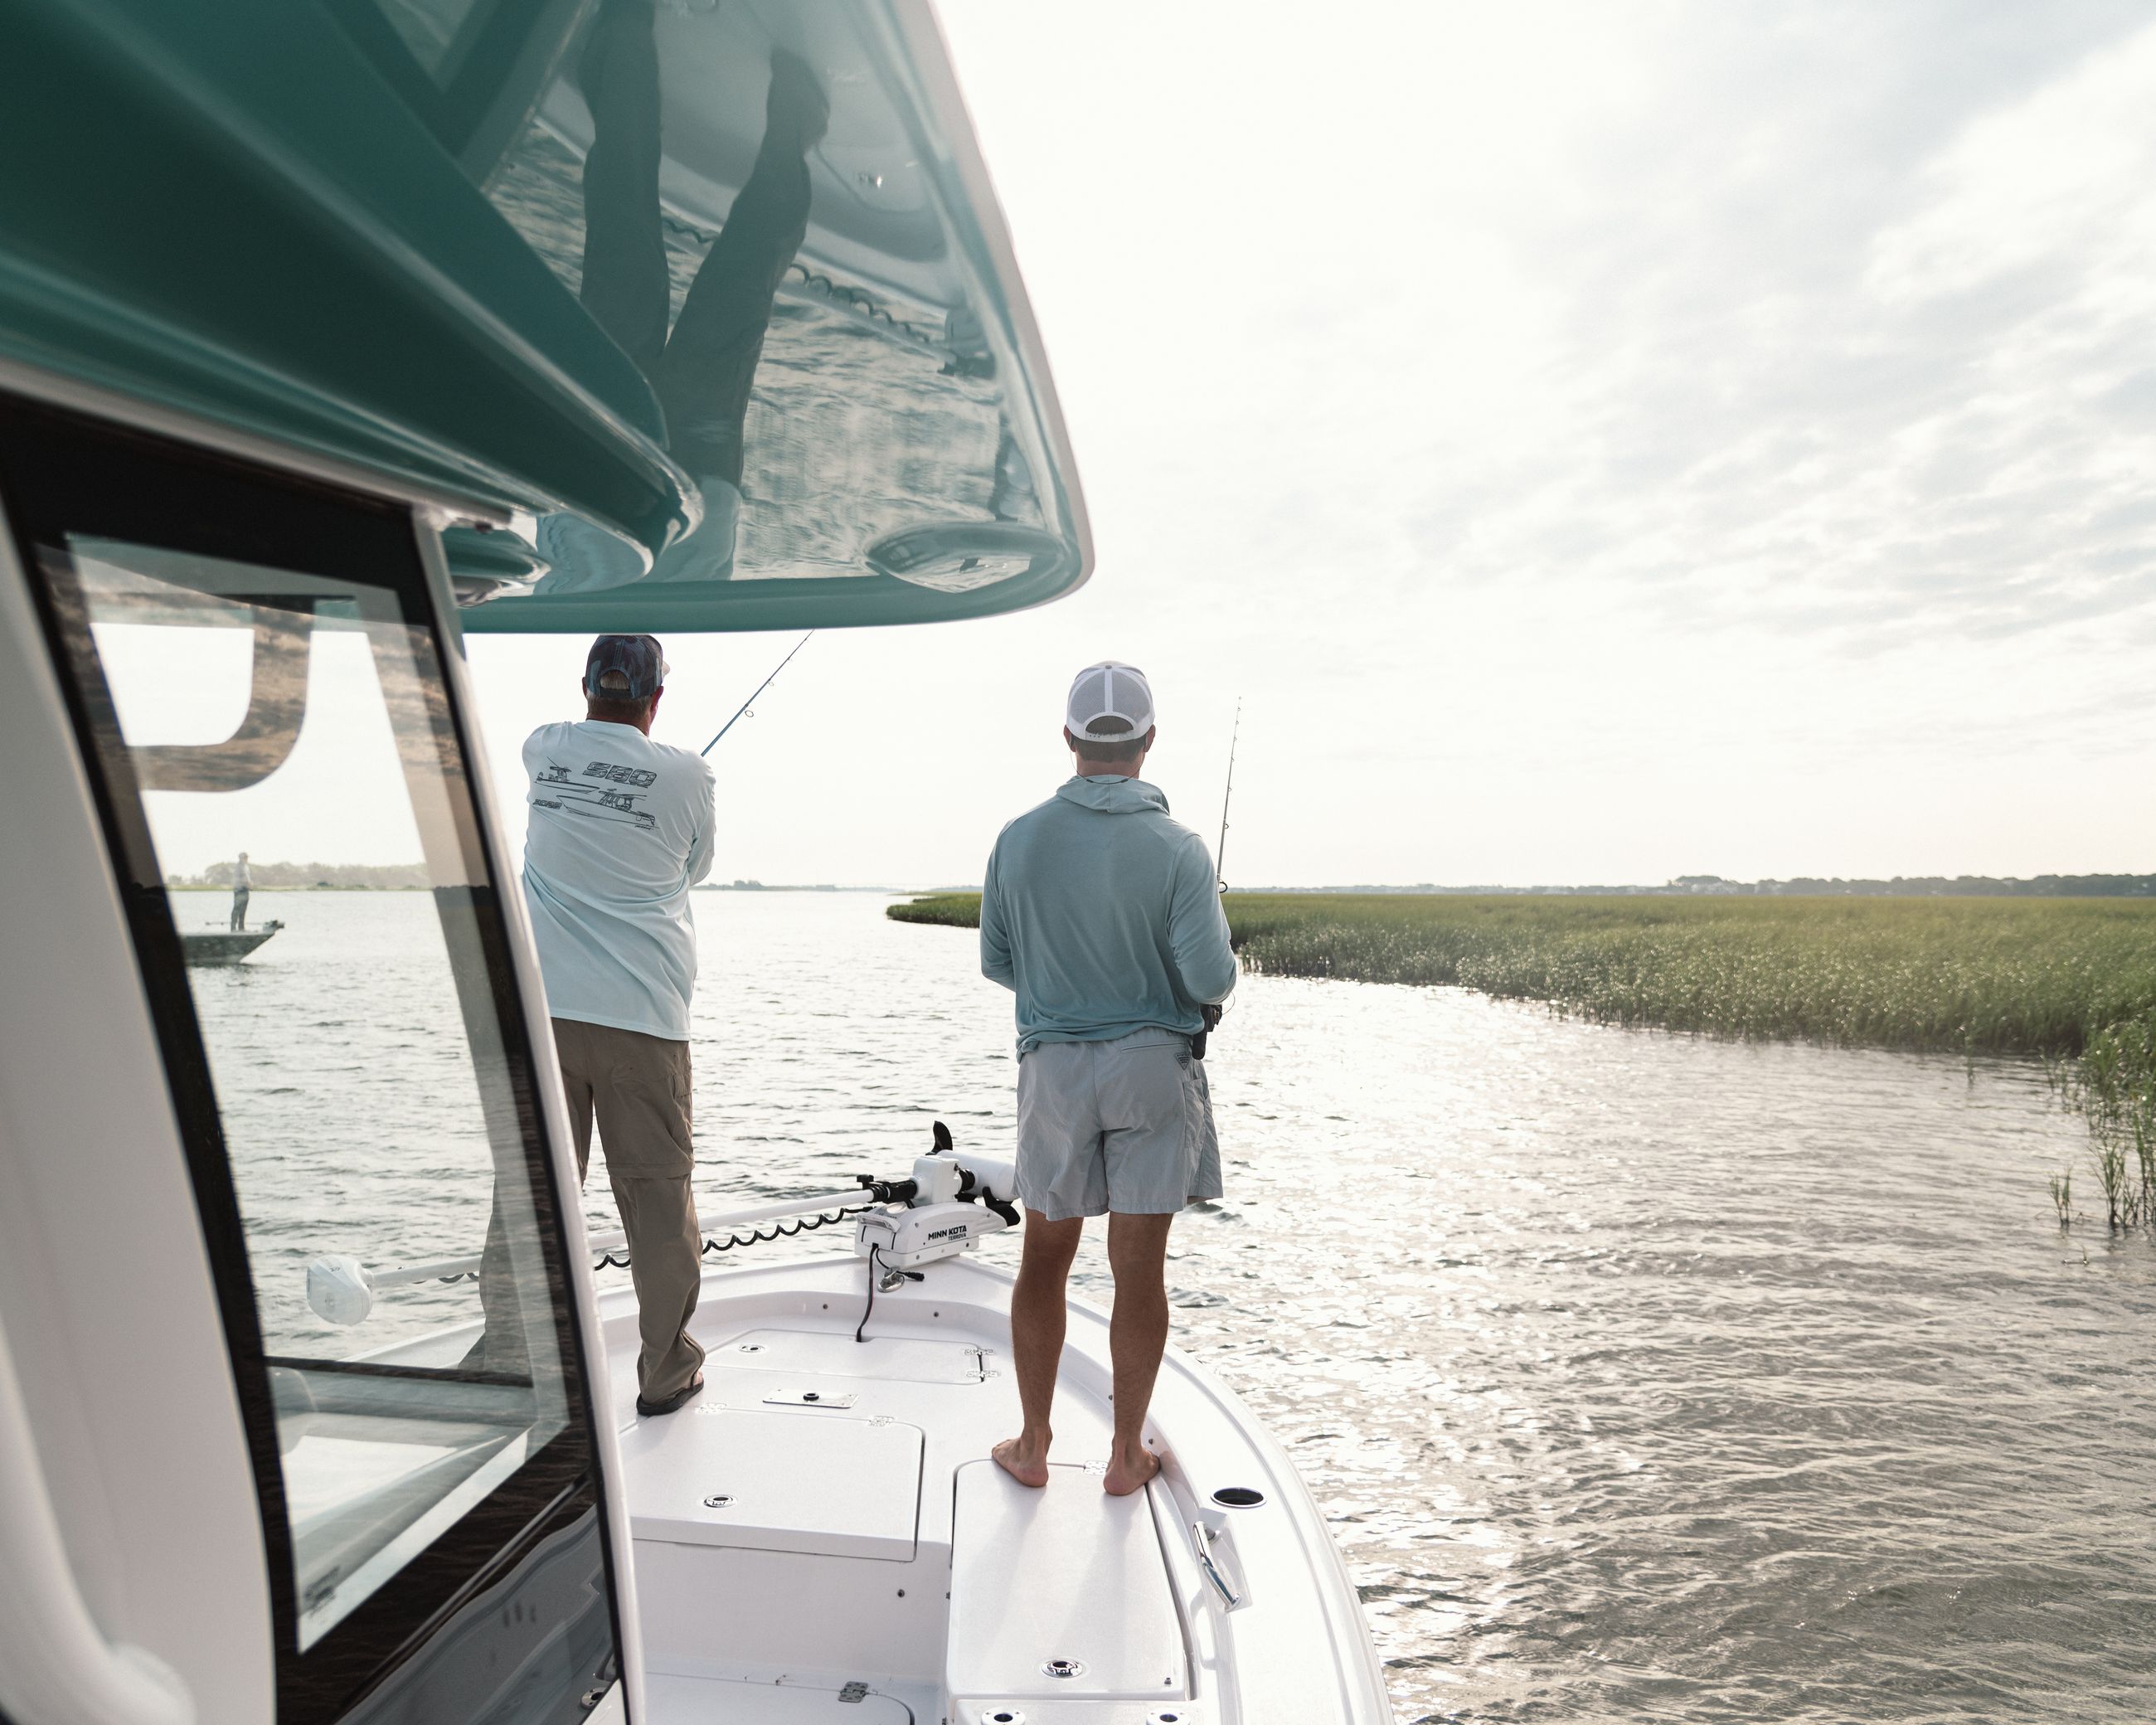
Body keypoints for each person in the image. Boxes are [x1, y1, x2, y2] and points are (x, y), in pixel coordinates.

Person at [979, 663, 1237, 1495]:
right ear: (1147, 742)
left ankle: (1031, 1444)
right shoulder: (1179, 849)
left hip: (1053, 1073)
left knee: (1044, 1260)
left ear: (1069, 740)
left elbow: (996, 962)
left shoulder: (1017, 838)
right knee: (1138, 1269)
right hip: (1151, 1076)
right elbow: (1211, 980)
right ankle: (1126, 1454)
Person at [522, 634, 717, 1415]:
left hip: (545, 1018)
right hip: (645, 1020)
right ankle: (666, 1371)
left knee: (533, 1192)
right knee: (658, 1200)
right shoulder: (688, 772)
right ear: (655, 697)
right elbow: (695, 869)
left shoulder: (542, 748)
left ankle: (513, 1361)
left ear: (585, 687)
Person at [229, 851, 250, 931]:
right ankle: (233, 927)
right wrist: (248, 884)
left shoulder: (246, 866)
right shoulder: (238, 867)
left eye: (247, 857)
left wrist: (249, 886)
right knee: (237, 909)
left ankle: (241, 927)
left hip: (245, 890)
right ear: (241, 858)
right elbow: (243, 879)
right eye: (245, 857)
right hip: (239, 891)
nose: (246, 859)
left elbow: (247, 878)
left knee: (243, 910)